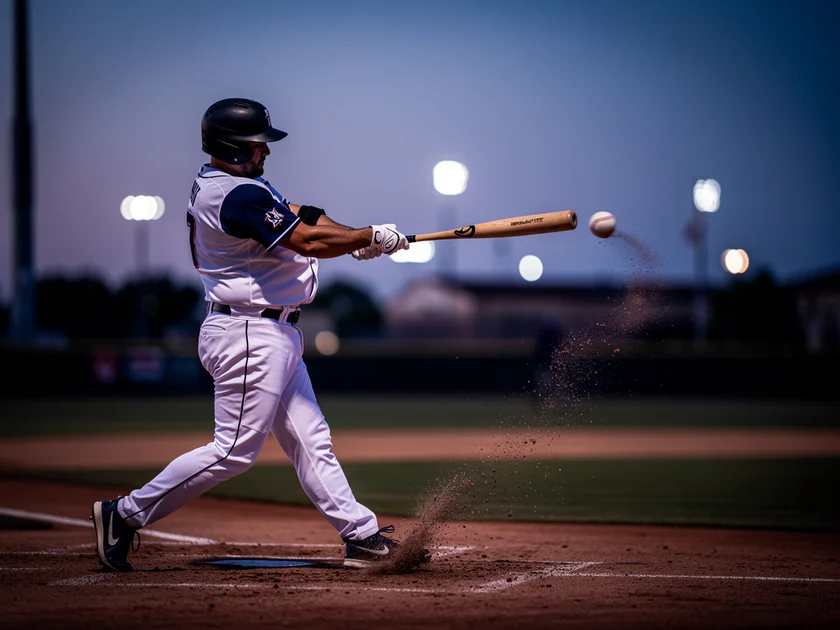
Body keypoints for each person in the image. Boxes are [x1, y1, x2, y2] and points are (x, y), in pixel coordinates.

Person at [91, 97, 427, 572]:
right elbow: (307, 240)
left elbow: (303, 215)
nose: (265, 152)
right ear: (230, 147)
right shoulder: (236, 195)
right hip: (248, 332)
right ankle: (122, 515)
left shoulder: (235, 185)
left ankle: (361, 536)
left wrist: (359, 239)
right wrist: (368, 236)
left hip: (270, 332)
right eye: (257, 145)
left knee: (311, 438)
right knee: (232, 451)